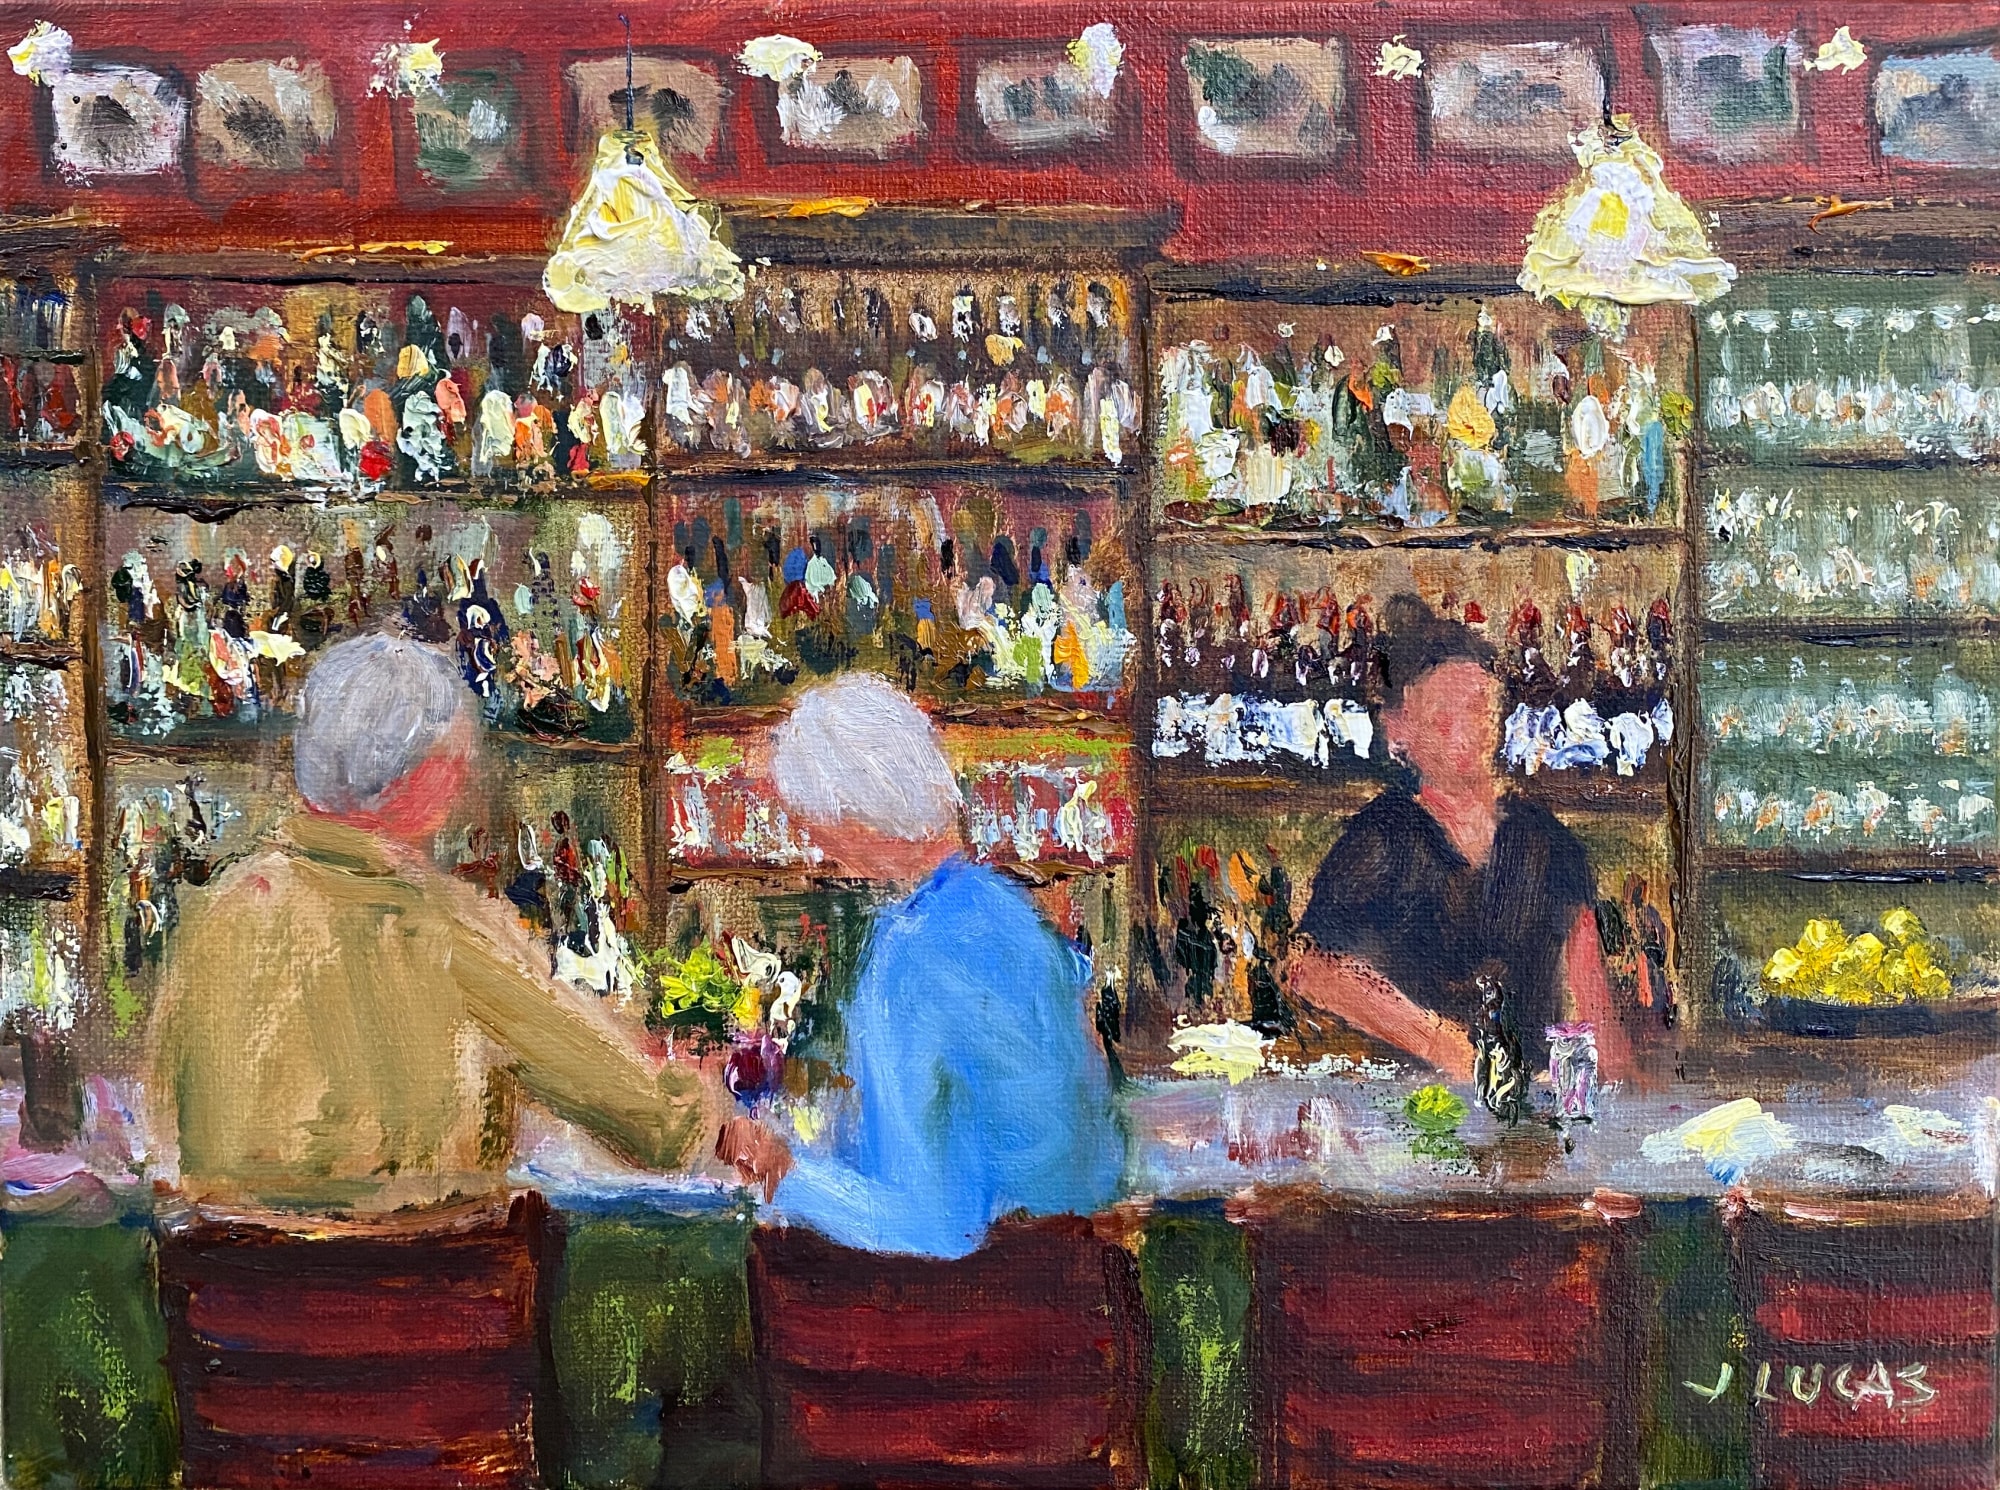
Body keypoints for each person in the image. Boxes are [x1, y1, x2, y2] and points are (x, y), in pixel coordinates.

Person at [148, 634, 722, 1214]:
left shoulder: (221, 910)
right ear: (424, 778)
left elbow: (175, 1118)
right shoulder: (439, 925)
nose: (460, 778)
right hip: (433, 1264)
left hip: (227, 1263)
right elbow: (651, 1126)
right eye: (453, 762)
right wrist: (702, 1107)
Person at [717, 674, 1122, 1259]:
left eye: (816, 825)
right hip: (1081, 1269)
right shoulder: (1010, 914)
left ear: (856, 817)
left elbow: (934, 1223)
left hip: (975, 1292)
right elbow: (1086, 1153)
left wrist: (786, 1174)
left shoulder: (908, 957)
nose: (817, 851)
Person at [1287, 596, 1632, 1084]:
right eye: (1444, 716)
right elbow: (1310, 969)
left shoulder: (1548, 844)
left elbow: (1598, 1012)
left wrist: (1613, 1086)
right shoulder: (1381, 837)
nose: (1467, 732)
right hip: (1414, 1101)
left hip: (1529, 1100)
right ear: (1398, 730)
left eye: (1479, 709)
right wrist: (1439, 1042)